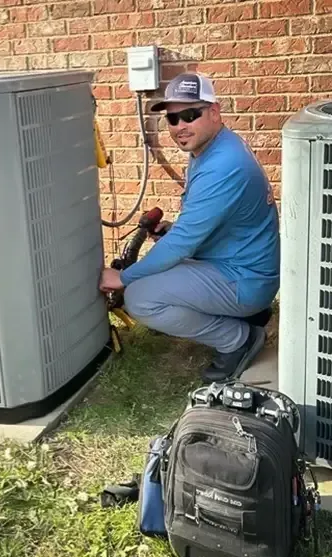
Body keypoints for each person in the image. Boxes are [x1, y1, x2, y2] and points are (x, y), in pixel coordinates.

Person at [99, 72, 280, 382]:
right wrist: (171, 232)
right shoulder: (213, 147)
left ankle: (238, 339)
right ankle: (249, 315)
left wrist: (124, 277)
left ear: (214, 111)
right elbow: (202, 225)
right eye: (172, 118)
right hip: (240, 264)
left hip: (245, 280)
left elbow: (184, 243)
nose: (180, 125)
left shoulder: (223, 165)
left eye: (190, 114)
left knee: (141, 297)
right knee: (161, 266)